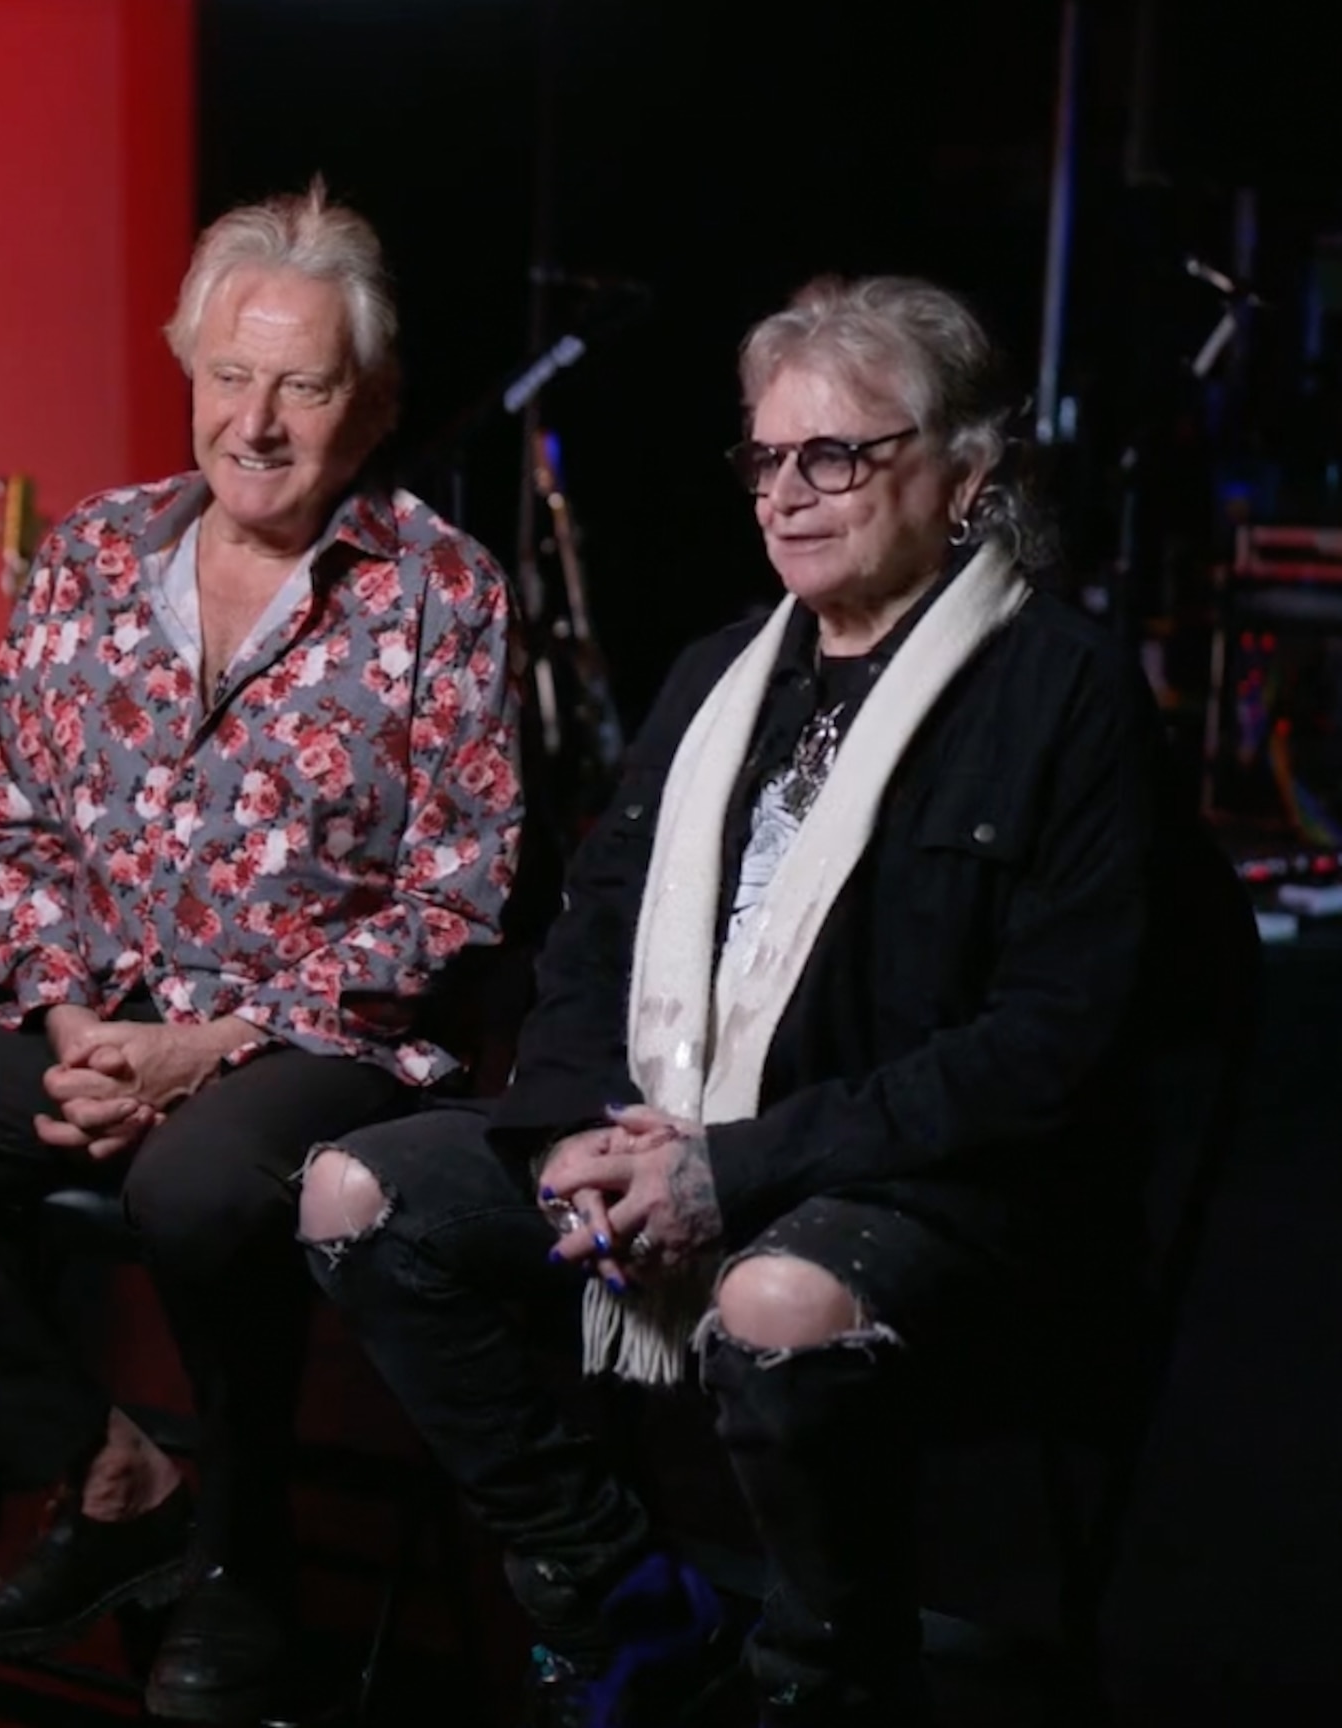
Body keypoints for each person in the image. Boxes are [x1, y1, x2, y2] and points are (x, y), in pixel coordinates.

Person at [296, 275, 1255, 1726]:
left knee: (774, 1297)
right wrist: (569, 1131)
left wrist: (726, 1170)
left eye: (839, 456)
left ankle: (824, 1672)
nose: (788, 496)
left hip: (948, 1198)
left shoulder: (1066, 695)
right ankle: (618, 1591)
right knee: (355, 1199)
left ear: (968, 475)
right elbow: (589, 943)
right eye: (766, 459)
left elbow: (1044, 1054)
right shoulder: (716, 678)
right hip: (682, 1141)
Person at [0, 175, 522, 1723]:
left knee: (192, 1184)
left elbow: (458, 893)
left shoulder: (445, 589)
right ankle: (111, 1482)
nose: (258, 419)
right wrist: (69, 1029)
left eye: (304, 384)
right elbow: (21, 825)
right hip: (98, 1019)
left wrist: (215, 1048)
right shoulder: (94, 555)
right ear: (188, 373)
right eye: (230, 375)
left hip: (325, 1045)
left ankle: (249, 1565)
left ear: (366, 404)